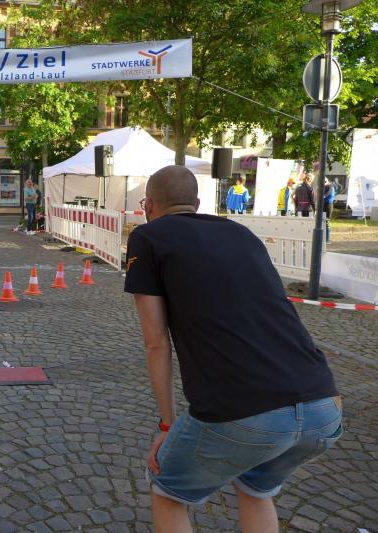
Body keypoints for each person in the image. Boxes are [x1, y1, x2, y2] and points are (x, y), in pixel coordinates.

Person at [125, 165, 341, 533]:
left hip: (244, 408)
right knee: (256, 488)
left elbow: (156, 342)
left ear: (149, 206)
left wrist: (167, 425)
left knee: (168, 490)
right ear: (197, 204)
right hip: (323, 405)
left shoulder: (148, 237)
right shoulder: (240, 233)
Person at [323, 177, 336, 242]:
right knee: (323, 221)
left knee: (327, 221)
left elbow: (327, 194)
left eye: (325, 181)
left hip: (328, 204)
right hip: (324, 204)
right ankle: (324, 237)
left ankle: (327, 239)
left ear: (327, 181)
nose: (324, 183)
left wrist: (322, 196)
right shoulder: (325, 187)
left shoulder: (330, 186)